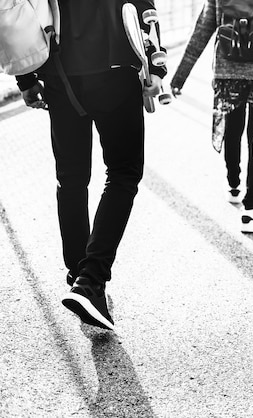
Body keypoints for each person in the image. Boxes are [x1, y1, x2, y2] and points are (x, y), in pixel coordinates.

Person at [16, 0, 166, 330]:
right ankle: (91, 280)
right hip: (115, 68)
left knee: (70, 178)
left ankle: (78, 274)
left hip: (60, 72)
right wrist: (156, 66)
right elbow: (145, 10)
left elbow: (28, 8)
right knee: (124, 172)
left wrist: (26, 79)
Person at [170, 0, 253, 233]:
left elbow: (202, 31)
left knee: (232, 130)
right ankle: (250, 209)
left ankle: (233, 184)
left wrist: (179, 77)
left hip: (227, 72)